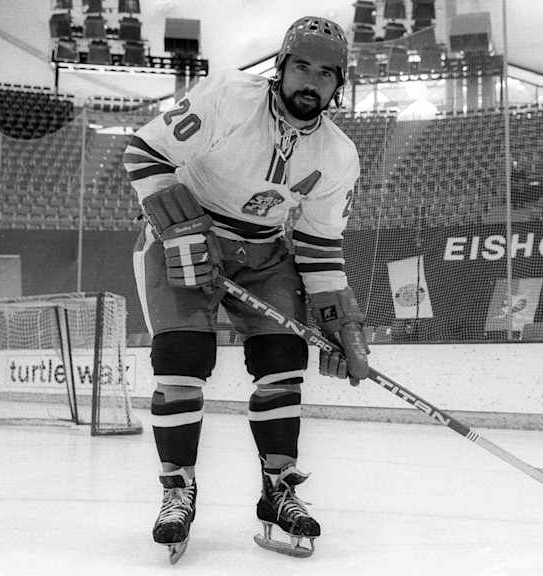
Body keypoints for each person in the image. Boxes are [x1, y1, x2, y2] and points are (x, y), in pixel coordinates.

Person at [124, 16, 370, 562]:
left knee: (284, 360)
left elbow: (320, 246)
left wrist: (341, 323)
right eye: (302, 66)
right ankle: (177, 490)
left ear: (339, 84)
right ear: (281, 67)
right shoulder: (230, 98)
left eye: (326, 74)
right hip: (187, 235)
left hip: (263, 251)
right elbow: (145, 154)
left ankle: (278, 489)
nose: (312, 81)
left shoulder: (338, 155)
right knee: (181, 359)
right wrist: (182, 229)